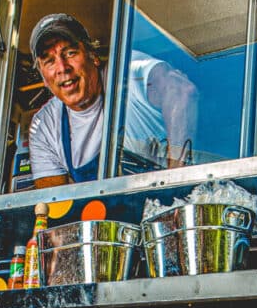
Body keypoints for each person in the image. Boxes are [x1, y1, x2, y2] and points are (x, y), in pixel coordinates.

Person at [25, 12, 197, 184]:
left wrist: (176, 180)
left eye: (70, 53)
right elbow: (54, 199)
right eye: (49, 61)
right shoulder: (45, 126)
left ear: (93, 55)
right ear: (43, 78)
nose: (62, 68)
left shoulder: (127, 72)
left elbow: (181, 91)